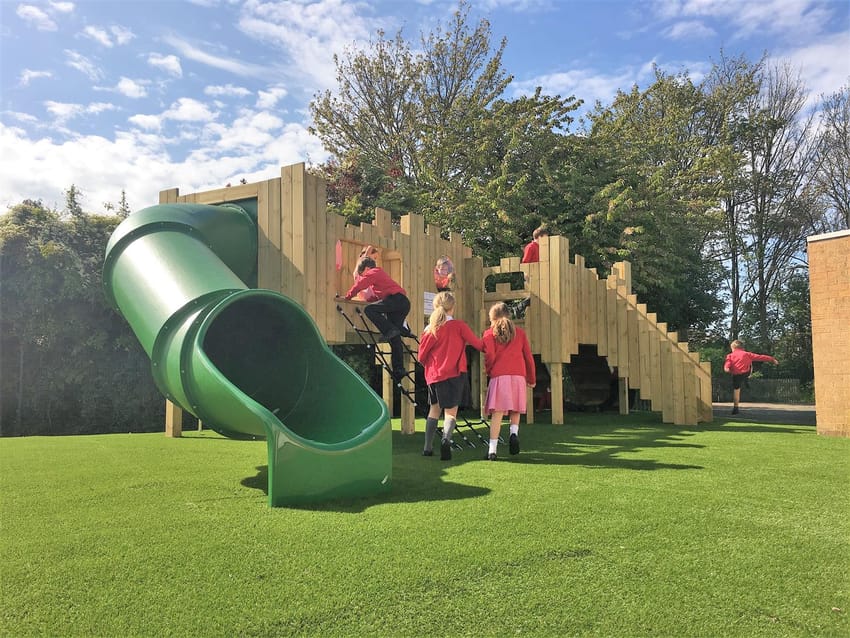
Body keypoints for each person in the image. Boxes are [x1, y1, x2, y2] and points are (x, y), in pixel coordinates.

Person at [417, 291, 484, 460]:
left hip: (434, 375)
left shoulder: (430, 328)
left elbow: (421, 356)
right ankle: (446, 440)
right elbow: (477, 344)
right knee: (450, 412)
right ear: (452, 307)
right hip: (454, 373)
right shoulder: (459, 326)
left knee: (434, 410)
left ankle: (427, 447)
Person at [343, 256, 412, 382]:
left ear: (367, 268)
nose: (364, 276)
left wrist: (347, 297)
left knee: (369, 310)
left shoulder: (374, 272)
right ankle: (399, 369)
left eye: (362, 273)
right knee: (395, 339)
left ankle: (395, 329)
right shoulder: (380, 280)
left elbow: (360, 285)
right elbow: (376, 299)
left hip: (396, 300)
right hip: (401, 304)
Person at [482, 302, 536, 460]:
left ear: (494, 318)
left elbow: (490, 356)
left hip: (500, 376)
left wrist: (490, 370)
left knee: (497, 414)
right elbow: (528, 357)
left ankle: (492, 450)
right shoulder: (520, 333)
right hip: (518, 375)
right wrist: (531, 378)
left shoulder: (489, 333)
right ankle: (513, 433)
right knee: (515, 409)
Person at [723, 339, 778, 415]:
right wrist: (772, 359)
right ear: (742, 348)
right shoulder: (747, 354)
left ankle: (735, 408)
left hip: (736, 375)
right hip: (746, 373)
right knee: (750, 363)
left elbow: (727, 363)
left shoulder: (730, 355)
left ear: (733, 348)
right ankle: (747, 379)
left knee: (736, 390)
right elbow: (760, 357)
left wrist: (727, 369)